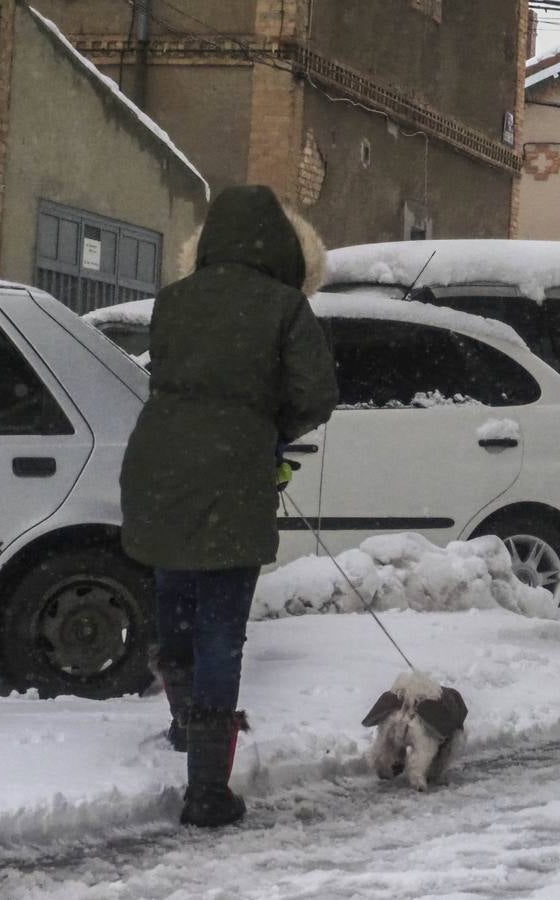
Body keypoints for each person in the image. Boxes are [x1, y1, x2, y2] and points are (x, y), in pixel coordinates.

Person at [120, 185, 338, 828]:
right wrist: (268, 429)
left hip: (158, 467)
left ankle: (186, 730)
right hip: (231, 474)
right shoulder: (284, 307)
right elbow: (315, 395)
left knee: (176, 606)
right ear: (282, 247)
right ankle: (207, 788)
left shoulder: (173, 300)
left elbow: (171, 379)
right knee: (220, 628)